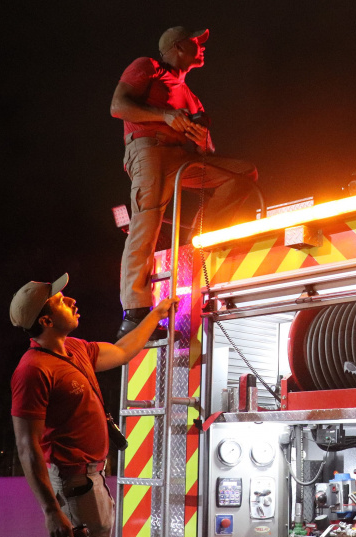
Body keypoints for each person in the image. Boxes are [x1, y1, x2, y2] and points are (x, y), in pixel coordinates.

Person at [110, 26, 263, 340]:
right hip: (149, 149)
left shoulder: (193, 98)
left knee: (243, 174)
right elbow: (118, 106)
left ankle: (202, 237)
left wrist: (202, 138)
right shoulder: (148, 67)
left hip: (182, 158)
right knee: (146, 223)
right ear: (178, 46)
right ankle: (135, 314)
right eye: (196, 42)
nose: (202, 47)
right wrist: (165, 116)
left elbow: (207, 150)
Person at [10, 273, 176, 537]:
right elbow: (27, 447)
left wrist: (156, 314)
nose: (72, 301)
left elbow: (122, 351)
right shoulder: (32, 370)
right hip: (73, 485)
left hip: (91, 480)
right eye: (61, 301)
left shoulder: (75, 348)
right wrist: (52, 511)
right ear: (46, 321)